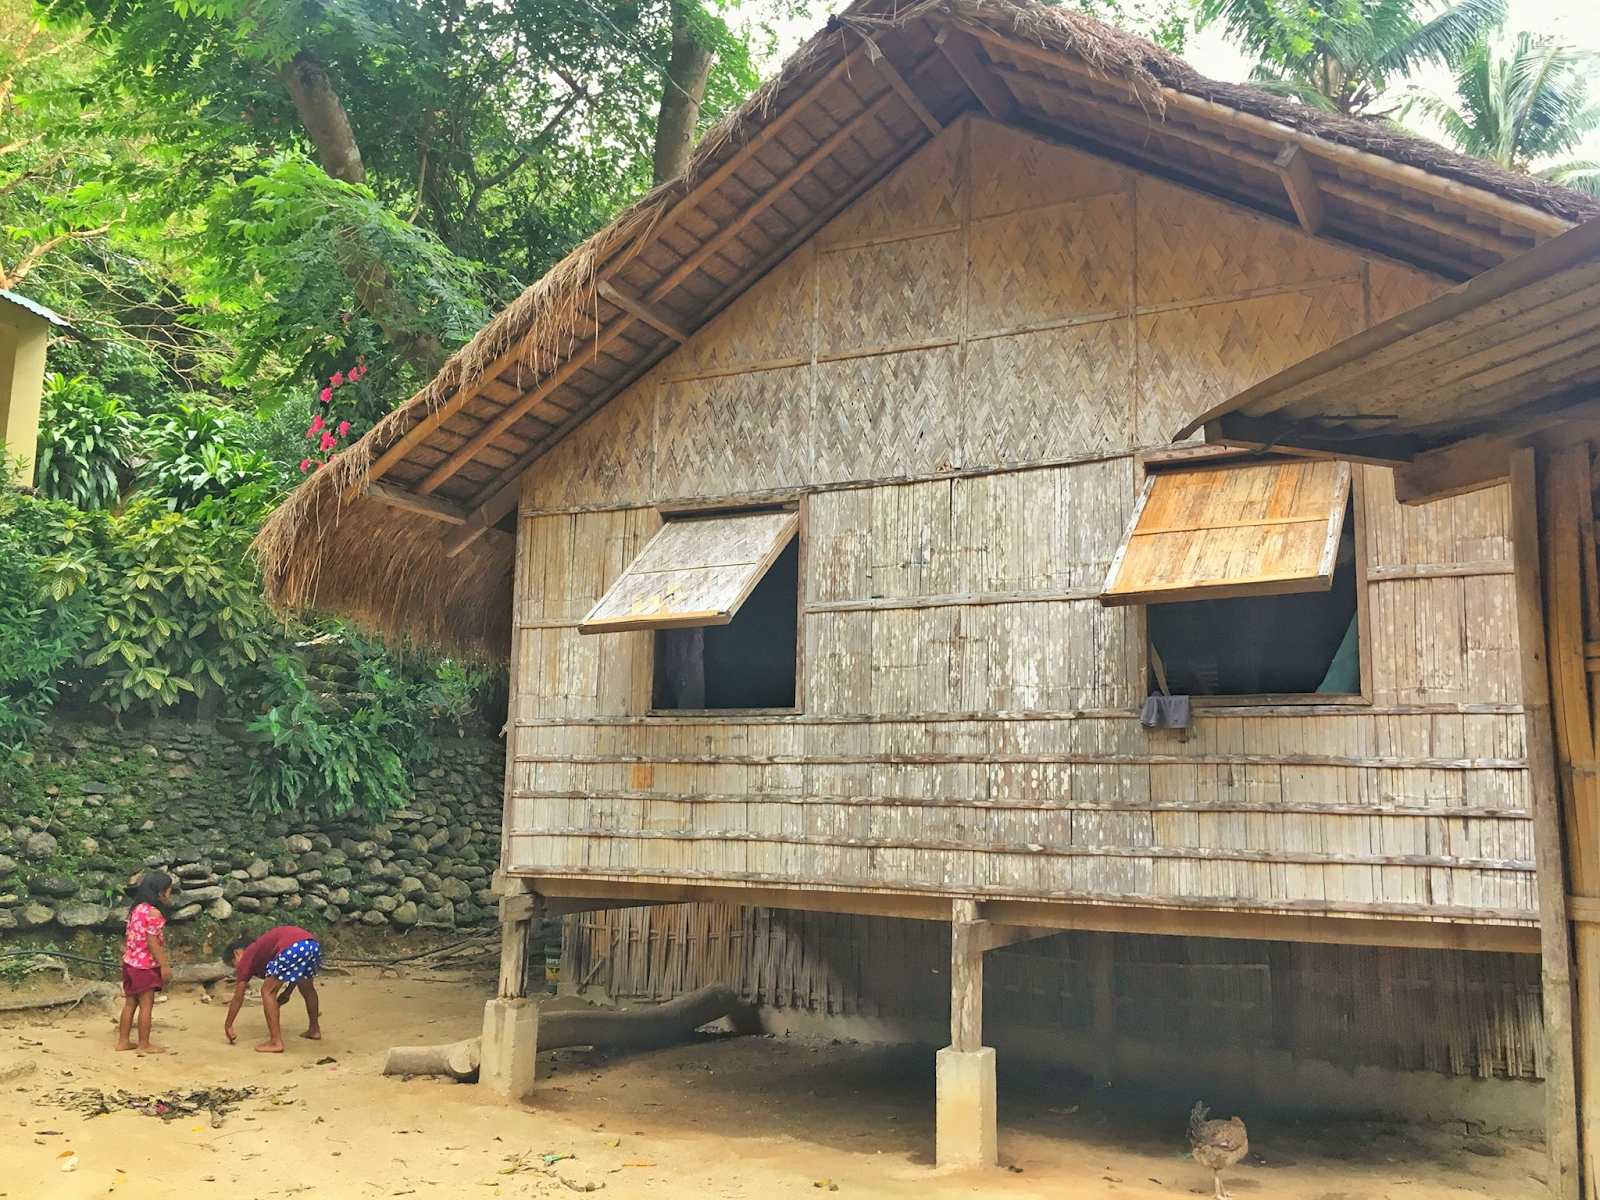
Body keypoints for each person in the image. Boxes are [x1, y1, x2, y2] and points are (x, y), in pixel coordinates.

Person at [222, 926, 323, 1053]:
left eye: (233, 963)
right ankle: (314, 1029)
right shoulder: (263, 949)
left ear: (237, 953)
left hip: (293, 947)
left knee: (267, 991)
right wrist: (287, 992)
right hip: (312, 945)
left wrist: (228, 1024)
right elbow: (296, 971)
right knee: (307, 988)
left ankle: (276, 1041)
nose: (236, 968)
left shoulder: (248, 955)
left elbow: (238, 997)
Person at [116, 872, 173, 1054]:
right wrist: (163, 964)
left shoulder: (137, 909)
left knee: (130, 1003)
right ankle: (144, 1044)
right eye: (169, 891)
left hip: (130, 963)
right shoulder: (153, 913)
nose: (170, 895)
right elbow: (152, 942)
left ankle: (123, 1041)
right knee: (146, 1005)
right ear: (160, 892)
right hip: (144, 966)